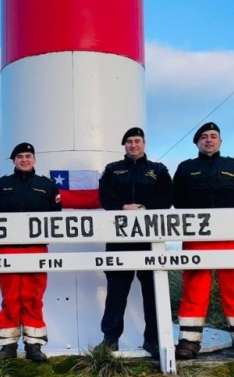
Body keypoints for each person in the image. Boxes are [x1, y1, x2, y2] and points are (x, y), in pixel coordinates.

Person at [172, 122, 234, 361]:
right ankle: (189, 342)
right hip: (196, 236)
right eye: (203, 137)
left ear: (220, 141)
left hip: (230, 235)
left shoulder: (233, 166)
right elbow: (177, 199)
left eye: (213, 136)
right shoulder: (185, 168)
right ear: (197, 143)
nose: (209, 140)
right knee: (194, 289)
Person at [96, 127, 173, 358]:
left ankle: (153, 340)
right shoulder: (112, 170)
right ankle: (110, 341)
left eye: (137, 141)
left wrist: (144, 208)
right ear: (124, 145)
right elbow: (105, 196)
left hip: (149, 239)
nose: (133, 145)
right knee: (116, 292)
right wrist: (123, 207)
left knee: (152, 292)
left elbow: (167, 197)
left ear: (144, 143)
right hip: (119, 240)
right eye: (129, 141)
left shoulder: (158, 170)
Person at [0, 142, 62, 362]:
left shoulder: (47, 186)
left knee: (33, 296)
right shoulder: (0, 185)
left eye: (28, 156)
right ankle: (8, 345)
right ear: (14, 161)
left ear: (35, 159)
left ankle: (33, 345)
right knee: (10, 297)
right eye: (20, 156)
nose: (24, 159)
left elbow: (56, 218)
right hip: (8, 247)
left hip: (37, 248)